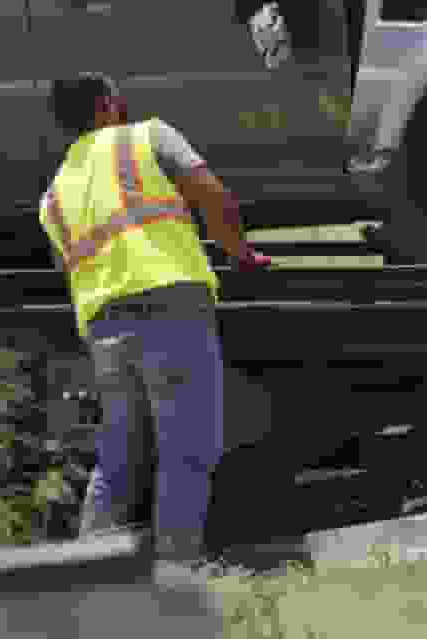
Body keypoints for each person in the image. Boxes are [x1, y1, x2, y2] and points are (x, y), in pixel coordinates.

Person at [39, 72, 270, 565]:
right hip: (171, 305)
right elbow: (211, 193)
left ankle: (86, 575)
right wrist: (240, 253)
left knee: (118, 462)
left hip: (103, 326)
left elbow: (71, 268)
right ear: (106, 104)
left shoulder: (53, 195)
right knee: (186, 451)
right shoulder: (148, 136)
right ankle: (176, 572)